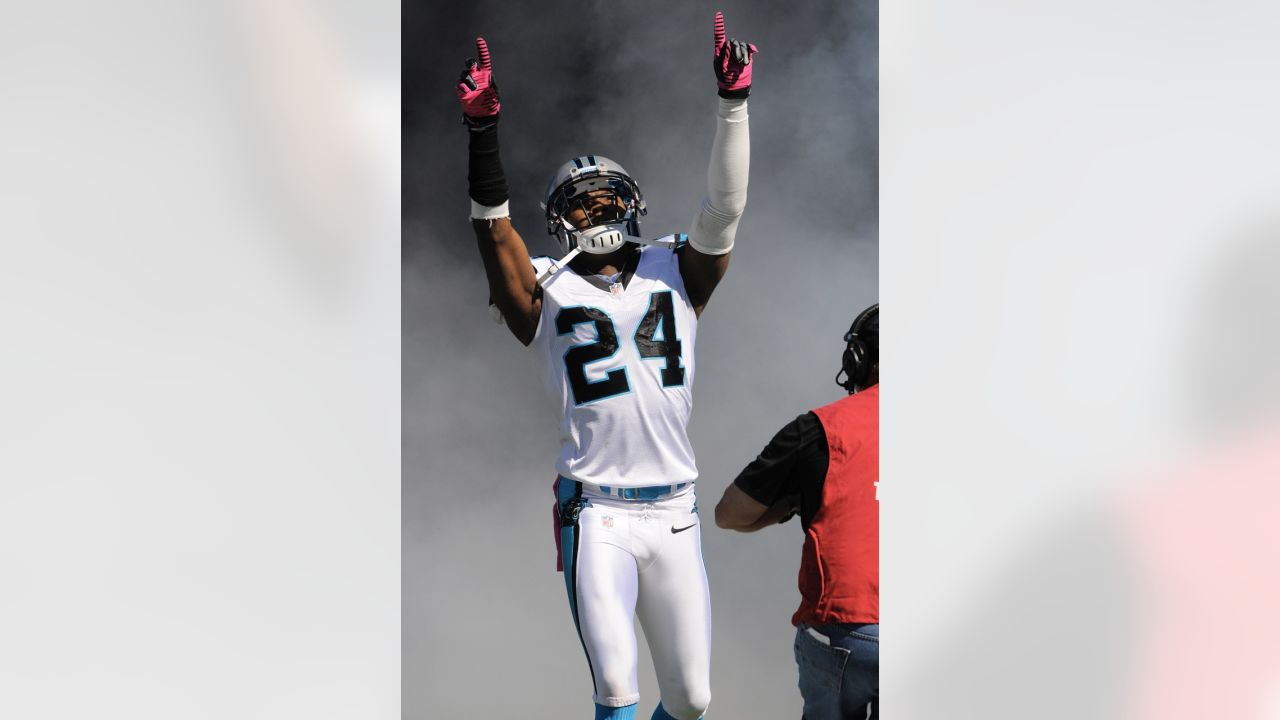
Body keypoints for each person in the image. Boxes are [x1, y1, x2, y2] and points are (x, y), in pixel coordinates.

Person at [455, 13, 757, 720]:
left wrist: (733, 107)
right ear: (560, 219)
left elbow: (728, 206)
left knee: (692, 701)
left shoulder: (677, 269)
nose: (596, 207)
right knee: (616, 692)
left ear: (632, 204)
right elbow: (493, 231)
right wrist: (482, 133)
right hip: (597, 513)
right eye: (581, 200)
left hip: (676, 509)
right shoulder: (545, 284)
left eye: (605, 195)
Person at [715, 304, 880, 720]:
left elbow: (730, 514)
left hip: (846, 630)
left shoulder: (819, 428)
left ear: (856, 360)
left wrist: (791, 504)